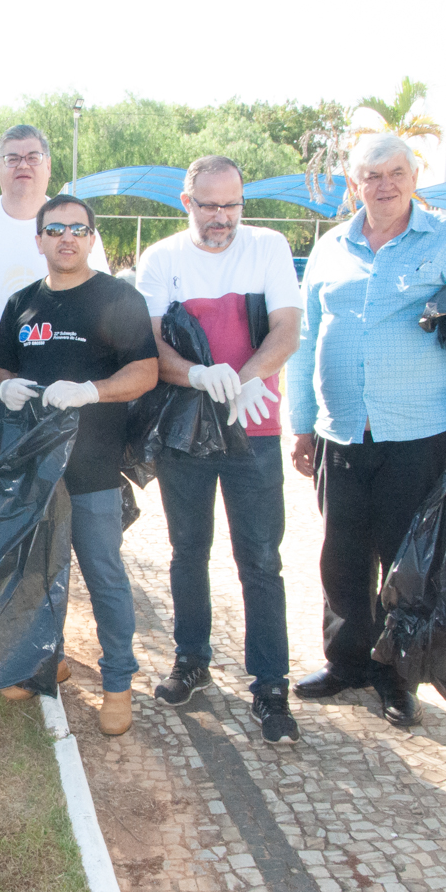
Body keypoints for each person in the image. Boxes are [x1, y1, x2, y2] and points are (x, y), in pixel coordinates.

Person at [286, 133, 446, 728]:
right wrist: (302, 425)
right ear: (354, 184)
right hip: (343, 432)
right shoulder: (332, 247)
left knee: (405, 562)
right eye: (371, 175)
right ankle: (347, 662)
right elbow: (306, 342)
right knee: (343, 556)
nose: (385, 185)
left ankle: (397, 676)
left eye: (396, 172)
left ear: (415, 176)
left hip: (420, 433)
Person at [134, 155, 303, 745]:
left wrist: (251, 375)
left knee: (260, 558)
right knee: (188, 550)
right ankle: (191, 660)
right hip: (186, 428)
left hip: (253, 428)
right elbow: (151, 343)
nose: (222, 217)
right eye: (209, 205)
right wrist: (199, 375)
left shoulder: (268, 247)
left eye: (232, 205)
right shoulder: (161, 259)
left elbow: (287, 326)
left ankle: (270, 684)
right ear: (187, 202)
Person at [0, 194, 158, 735]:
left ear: (91, 238)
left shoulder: (116, 298)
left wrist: (93, 390)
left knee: (104, 576)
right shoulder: (21, 304)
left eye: (78, 229)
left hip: (94, 470)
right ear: (38, 240)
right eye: (55, 228)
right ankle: (48, 659)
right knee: (39, 573)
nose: (67, 238)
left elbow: (147, 372)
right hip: (35, 469)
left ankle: (117, 683)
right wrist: (6, 387)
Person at [0, 124, 110, 429]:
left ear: (48, 166)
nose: (23, 164)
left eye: (33, 157)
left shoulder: (76, 230)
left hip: (60, 388)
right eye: (12, 158)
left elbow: (98, 301)